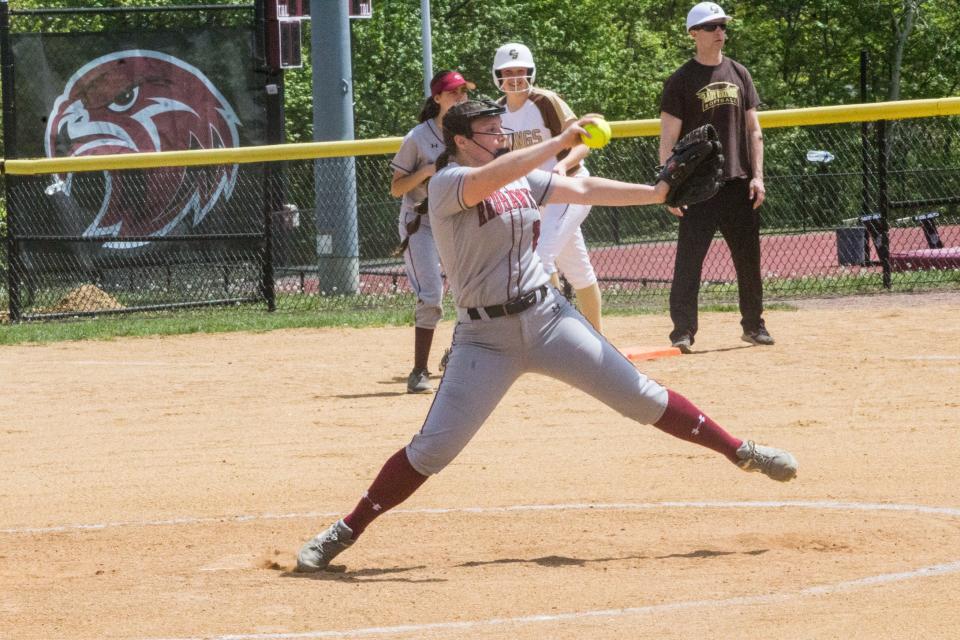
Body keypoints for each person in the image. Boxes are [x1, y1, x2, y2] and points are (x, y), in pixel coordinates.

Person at [295, 99, 798, 573]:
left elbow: (580, 190)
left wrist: (655, 193)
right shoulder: (449, 182)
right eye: (489, 131)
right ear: (462, 141)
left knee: (642, 397)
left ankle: (740, 450)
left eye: (499, 128)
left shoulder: (517, 176)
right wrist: (561, 140)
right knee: (432, 451)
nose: (499, 136)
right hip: (483, 339)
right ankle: (344, 530)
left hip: (549, 319)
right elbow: (492, 178)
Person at [660, 2, 772, 354]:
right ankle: (682, 331)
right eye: (711, 27)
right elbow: (668, 140)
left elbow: (754, 131)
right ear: (694, 34)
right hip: (697, 188)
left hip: (739, 182)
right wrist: (669, 188)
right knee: (689, 262)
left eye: (722, 26)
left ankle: (754, 325)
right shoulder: (680, 81)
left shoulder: (739, 73)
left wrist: (759, 177)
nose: (720, 32)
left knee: (748, 261)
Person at [492, 42, 605, 334]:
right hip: (536, 198)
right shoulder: (497, 113)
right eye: (508, 72)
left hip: (570, 188)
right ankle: (597, 337)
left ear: (531, 73)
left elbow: (582, 145)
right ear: (498, 75)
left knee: (539, 258)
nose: (515, 77)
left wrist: (562, 166)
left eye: (521, 71)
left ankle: (553, 332)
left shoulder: (545, 101)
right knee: (578, 270)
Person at [389, 70, 475, 393]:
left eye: (463, 92)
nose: (460, 98)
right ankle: (419, 371)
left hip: (457, 221)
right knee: (432, 295)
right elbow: (396, 189)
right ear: (437, 98)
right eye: (453, 93)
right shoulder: (417, 138)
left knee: (470, 291)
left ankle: (455, 353)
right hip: (421, 222)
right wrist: (425, 170)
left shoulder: (468, 133)